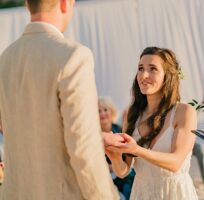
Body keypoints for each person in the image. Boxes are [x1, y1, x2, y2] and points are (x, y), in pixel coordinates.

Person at [0, 0, 122, 199]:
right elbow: (83, 147)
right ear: (65, 3)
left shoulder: (6, 59)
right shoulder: (73, 56)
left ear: (27, 5)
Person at [106, 47, 198, 200]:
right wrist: (115, 156)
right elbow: (123, 172)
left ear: (167, 76)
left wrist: (137, 150)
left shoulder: (184, 112)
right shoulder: (131, 114)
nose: (144, 75)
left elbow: (175, 162)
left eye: (153, 69)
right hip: (142, 193)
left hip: (175, 194)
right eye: (140, 69)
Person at [98, 97, 135, 200]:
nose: (102, 114)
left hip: (122, 174)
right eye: (98, 111)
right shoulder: (93, 136)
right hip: (103, 177)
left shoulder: (120, 130)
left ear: (111, 111)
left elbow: (127, 157)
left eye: (105, 110)